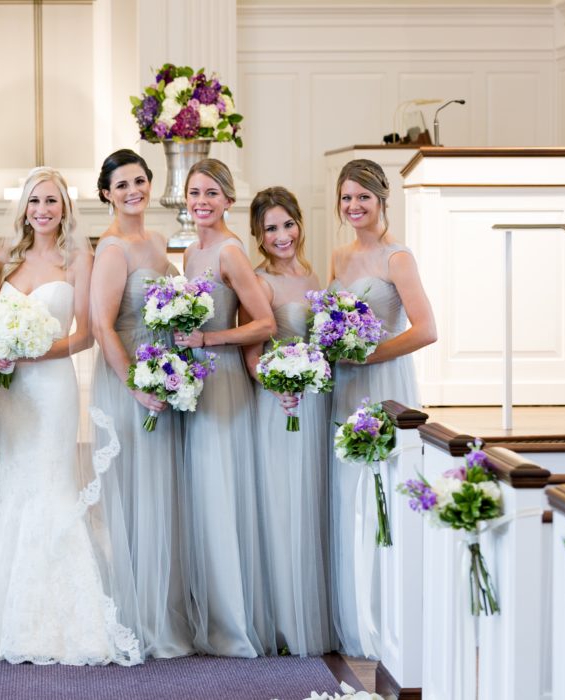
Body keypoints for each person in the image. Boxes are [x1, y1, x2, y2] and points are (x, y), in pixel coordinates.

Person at [0, 167, 140, 665]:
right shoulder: (6, 257)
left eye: (51, 201)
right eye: (35, 201)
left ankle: (66, 617)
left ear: (65, 208)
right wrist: (2, 352)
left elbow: (85, 334)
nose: (42, 210)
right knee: (13, 485)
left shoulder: (79, 259)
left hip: (52, 388)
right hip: (14, 390)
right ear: (23, 208)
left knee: (51, 484)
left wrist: (34, 351)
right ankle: (0, 613)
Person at [328, 159, 436, 659]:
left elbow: (426, 329)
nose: (354, 206)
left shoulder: (398, 258)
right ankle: (354, 614)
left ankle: (390, 616)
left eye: (363, 198)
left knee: (382, 494)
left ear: (382, 200)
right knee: (348, 496)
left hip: (382, 380)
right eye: (347, 198)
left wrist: (370, 355)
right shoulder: (339, 256)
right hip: (345, 386)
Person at [89, 148, 193, 659]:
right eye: (122, 185)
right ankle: (135, 613)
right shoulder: (112, 249)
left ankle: (161, 604)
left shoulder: (155, 239)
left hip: (163, 372)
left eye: (139, 181)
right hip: (129, 375)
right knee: (134, 491)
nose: (133, 191)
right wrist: (134, 384)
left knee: (160, 489)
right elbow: (102, 325)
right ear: (106, 194)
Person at [172, 159, 276, 656]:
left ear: (229, 200)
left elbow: (265, 323)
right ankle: (207, 610)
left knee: (221, 492)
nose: (202, 202)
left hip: (225, 380)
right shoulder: (191, 252)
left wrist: (208, 339)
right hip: (194, 383)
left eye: (212, 193)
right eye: (195, 192)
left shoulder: (230, 252)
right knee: (201, 493)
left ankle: (232, 623)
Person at [242, 186, 333, 656]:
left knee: (310, 502)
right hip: (281, 405)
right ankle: (285, 622)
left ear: (299, 223)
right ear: (258, 236)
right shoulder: (260, 283)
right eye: (270, 229)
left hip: (315, 403)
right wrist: (277, 385)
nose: (282, 236)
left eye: (288, 224)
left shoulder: (313, 275)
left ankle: (313, 610)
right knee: (282, 504)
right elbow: (251, 356)